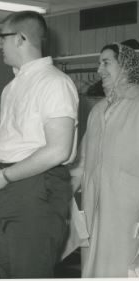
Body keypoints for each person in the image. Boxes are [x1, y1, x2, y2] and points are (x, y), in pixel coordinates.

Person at [0, 11, 79, 278]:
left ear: (21, 38)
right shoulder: (12, 87)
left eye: (2, 38)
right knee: (10, 272)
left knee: (30, 273)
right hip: (8, 187)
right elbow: (17, 143)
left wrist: (5, 176)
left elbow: (58, 150)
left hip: (35, 188)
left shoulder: (55, 83)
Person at [70, 42, 139, 277]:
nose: (99, 70)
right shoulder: (97, 111)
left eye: (106, 62)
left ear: (128, 66)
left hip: (127, 217)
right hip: (93, 214)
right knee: (92, 270)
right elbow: (81, 165)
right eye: (99, 63)